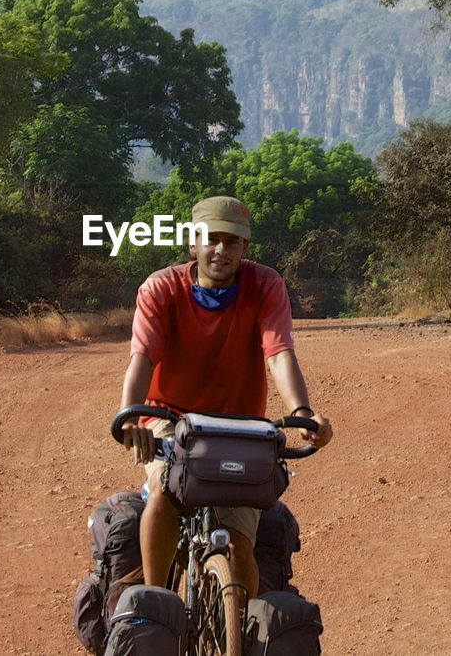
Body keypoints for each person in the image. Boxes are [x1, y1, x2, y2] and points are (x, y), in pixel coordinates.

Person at [118, 194, 333, 600]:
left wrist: (302, 413)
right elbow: (142, 357)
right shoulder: (161, 288)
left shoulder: (265, 285)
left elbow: (280, 353)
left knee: (238, 544)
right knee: (166, 492)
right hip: (169, 417)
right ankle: (156, 610)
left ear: (245, 248)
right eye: (211, 238)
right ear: (192, 242)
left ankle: (241, 629)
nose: (220, 249)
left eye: (232, 241)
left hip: (239, 427)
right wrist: (131, 417)